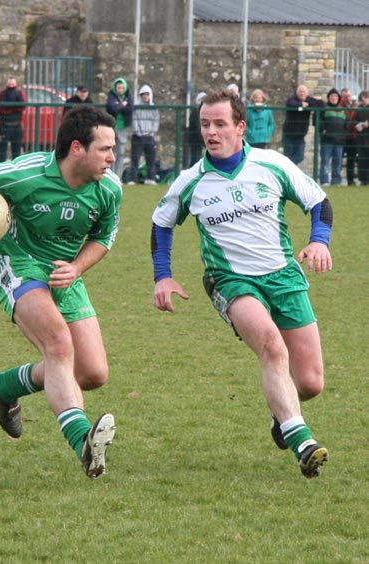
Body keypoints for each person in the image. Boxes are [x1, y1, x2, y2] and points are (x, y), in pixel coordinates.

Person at [151, 88, 333, 479]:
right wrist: (162, 275)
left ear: (240, 127)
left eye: (219, 124)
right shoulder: (192, 180)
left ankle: (282, 415)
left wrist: (319, 240)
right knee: (270, 344)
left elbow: (319, 202)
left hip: (283, 275)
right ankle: (303, 443)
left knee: (311, 382)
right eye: (204, 124)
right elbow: (161, 223)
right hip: (229, 280)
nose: (211, 132)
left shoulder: (271, 164)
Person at [0, 105, 122, 479]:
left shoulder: (109, 190)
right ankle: (81, 441)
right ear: (76, 148)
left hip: (64, 275)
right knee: (58, 345)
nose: (112, 157)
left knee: (91, 373)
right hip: (19, 265)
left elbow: (104, 236)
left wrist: (77, 267)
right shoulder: (25, 173)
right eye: (104, 149)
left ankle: (3, 386)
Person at [282, 84, 324, 165]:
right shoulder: (292, 99)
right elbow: (290, 103)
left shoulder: (308, 100)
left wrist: (308, 103)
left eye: (303, 92)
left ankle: (290, 167)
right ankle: (289, 171)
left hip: (300, 136)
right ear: (296, 93)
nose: (302, 93)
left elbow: (321, 104)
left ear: (307, 93)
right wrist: (301, 105)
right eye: (300, 92)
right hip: (288, 134)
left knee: (300, 156)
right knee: (287, 156)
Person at [128, 84, 159, 185]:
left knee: (151, 159)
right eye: (143, 95)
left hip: (150, 137)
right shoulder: (136, 107)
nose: (145, 96)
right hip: (138, 137)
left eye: (147, 94)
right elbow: (134, 121)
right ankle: (133, 179)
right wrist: (140, 133)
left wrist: (150, 133)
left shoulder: (154, 108)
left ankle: (150, 178)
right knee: (135, 158)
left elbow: (156, 122)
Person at [106, 77, 134, 180]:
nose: (120, 90)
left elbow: (130, 108)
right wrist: (122, 105)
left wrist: (119, 106)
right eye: (118, 88)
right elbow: (112, 107)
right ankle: (110, 174)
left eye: (122, 88)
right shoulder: (111, 96)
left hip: (123, 128)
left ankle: (118, 176)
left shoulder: (128, 96)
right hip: (112, 128)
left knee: (121, 152)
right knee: (111, 152)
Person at [319, 88, 347, 186]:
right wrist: (323, 131)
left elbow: (346, 125)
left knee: (337, 162)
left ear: (338, 98)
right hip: (327, 140)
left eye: (335, 96)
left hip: (339, 141)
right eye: (332, 96)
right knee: (325, 162)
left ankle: (336, 181)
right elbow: (318, 122)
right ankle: (324, 180)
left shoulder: (342, 111)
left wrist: (344, 136)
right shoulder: (324, 109)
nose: (334, 98)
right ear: (328, 98)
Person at [0, 76, 26, 163]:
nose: (11, 85)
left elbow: (22, 106)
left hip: (17, 125)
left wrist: (10, 107)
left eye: (12, 83)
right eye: (9, 83)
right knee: (1, 151)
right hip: (4, 125)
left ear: (16, 83)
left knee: (16, 150)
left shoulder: (20, 93)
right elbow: (1, 107)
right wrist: (13, 108)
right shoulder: (2, 93)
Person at [340, 88, 359, 185]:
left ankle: (350, 181)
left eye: (348, 96)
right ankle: (336, 181)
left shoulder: (355, 106)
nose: (347, 98)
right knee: (339, 159)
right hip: (342, 138)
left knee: (351, 160)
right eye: (345, 96)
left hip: (352, 137)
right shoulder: (339, 106)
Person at [186, 91, 206, 167]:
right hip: (195, 140)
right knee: (195, 160)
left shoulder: (198, 112)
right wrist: (202, 140)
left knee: (197, 158)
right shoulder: (196, 112)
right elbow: (198, 128)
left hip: (197, 140)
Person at [355, 90, 369, 186]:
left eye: (364, 100)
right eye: (361, 100)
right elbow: (354, 120)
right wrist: (357, 125)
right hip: (361, 139)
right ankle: (363, 180)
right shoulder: (359, 109)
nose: (363, 102)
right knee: (362, 160)